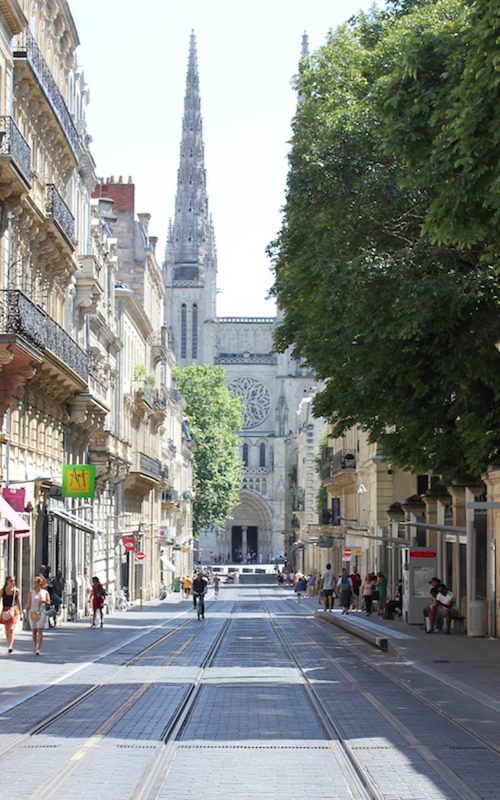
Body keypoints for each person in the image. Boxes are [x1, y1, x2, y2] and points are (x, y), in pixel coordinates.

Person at [27, 575, 51, 655]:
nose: (34, 584)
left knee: (39, 630)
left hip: (41, 612)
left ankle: (38, 648)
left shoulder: (45, 592)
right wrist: (24, 610)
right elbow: (28, 603)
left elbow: (49, 603)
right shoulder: (31, 592)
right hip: (32, 613)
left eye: (35, 582)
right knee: (34, 631)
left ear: (39, 583)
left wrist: (44, 601)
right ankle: (35, 645)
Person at [0, 576, 23, 653]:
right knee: (7, 630)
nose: (13, 582)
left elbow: (19, 602)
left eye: (14, 580)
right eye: (11, 580)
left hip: (14, 610)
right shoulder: (2, 591)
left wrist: (21, 613)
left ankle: (10, 646)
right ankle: (8, 644)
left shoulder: (16, 591)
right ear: (7, 581)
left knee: (11, 629)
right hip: (5, 610)